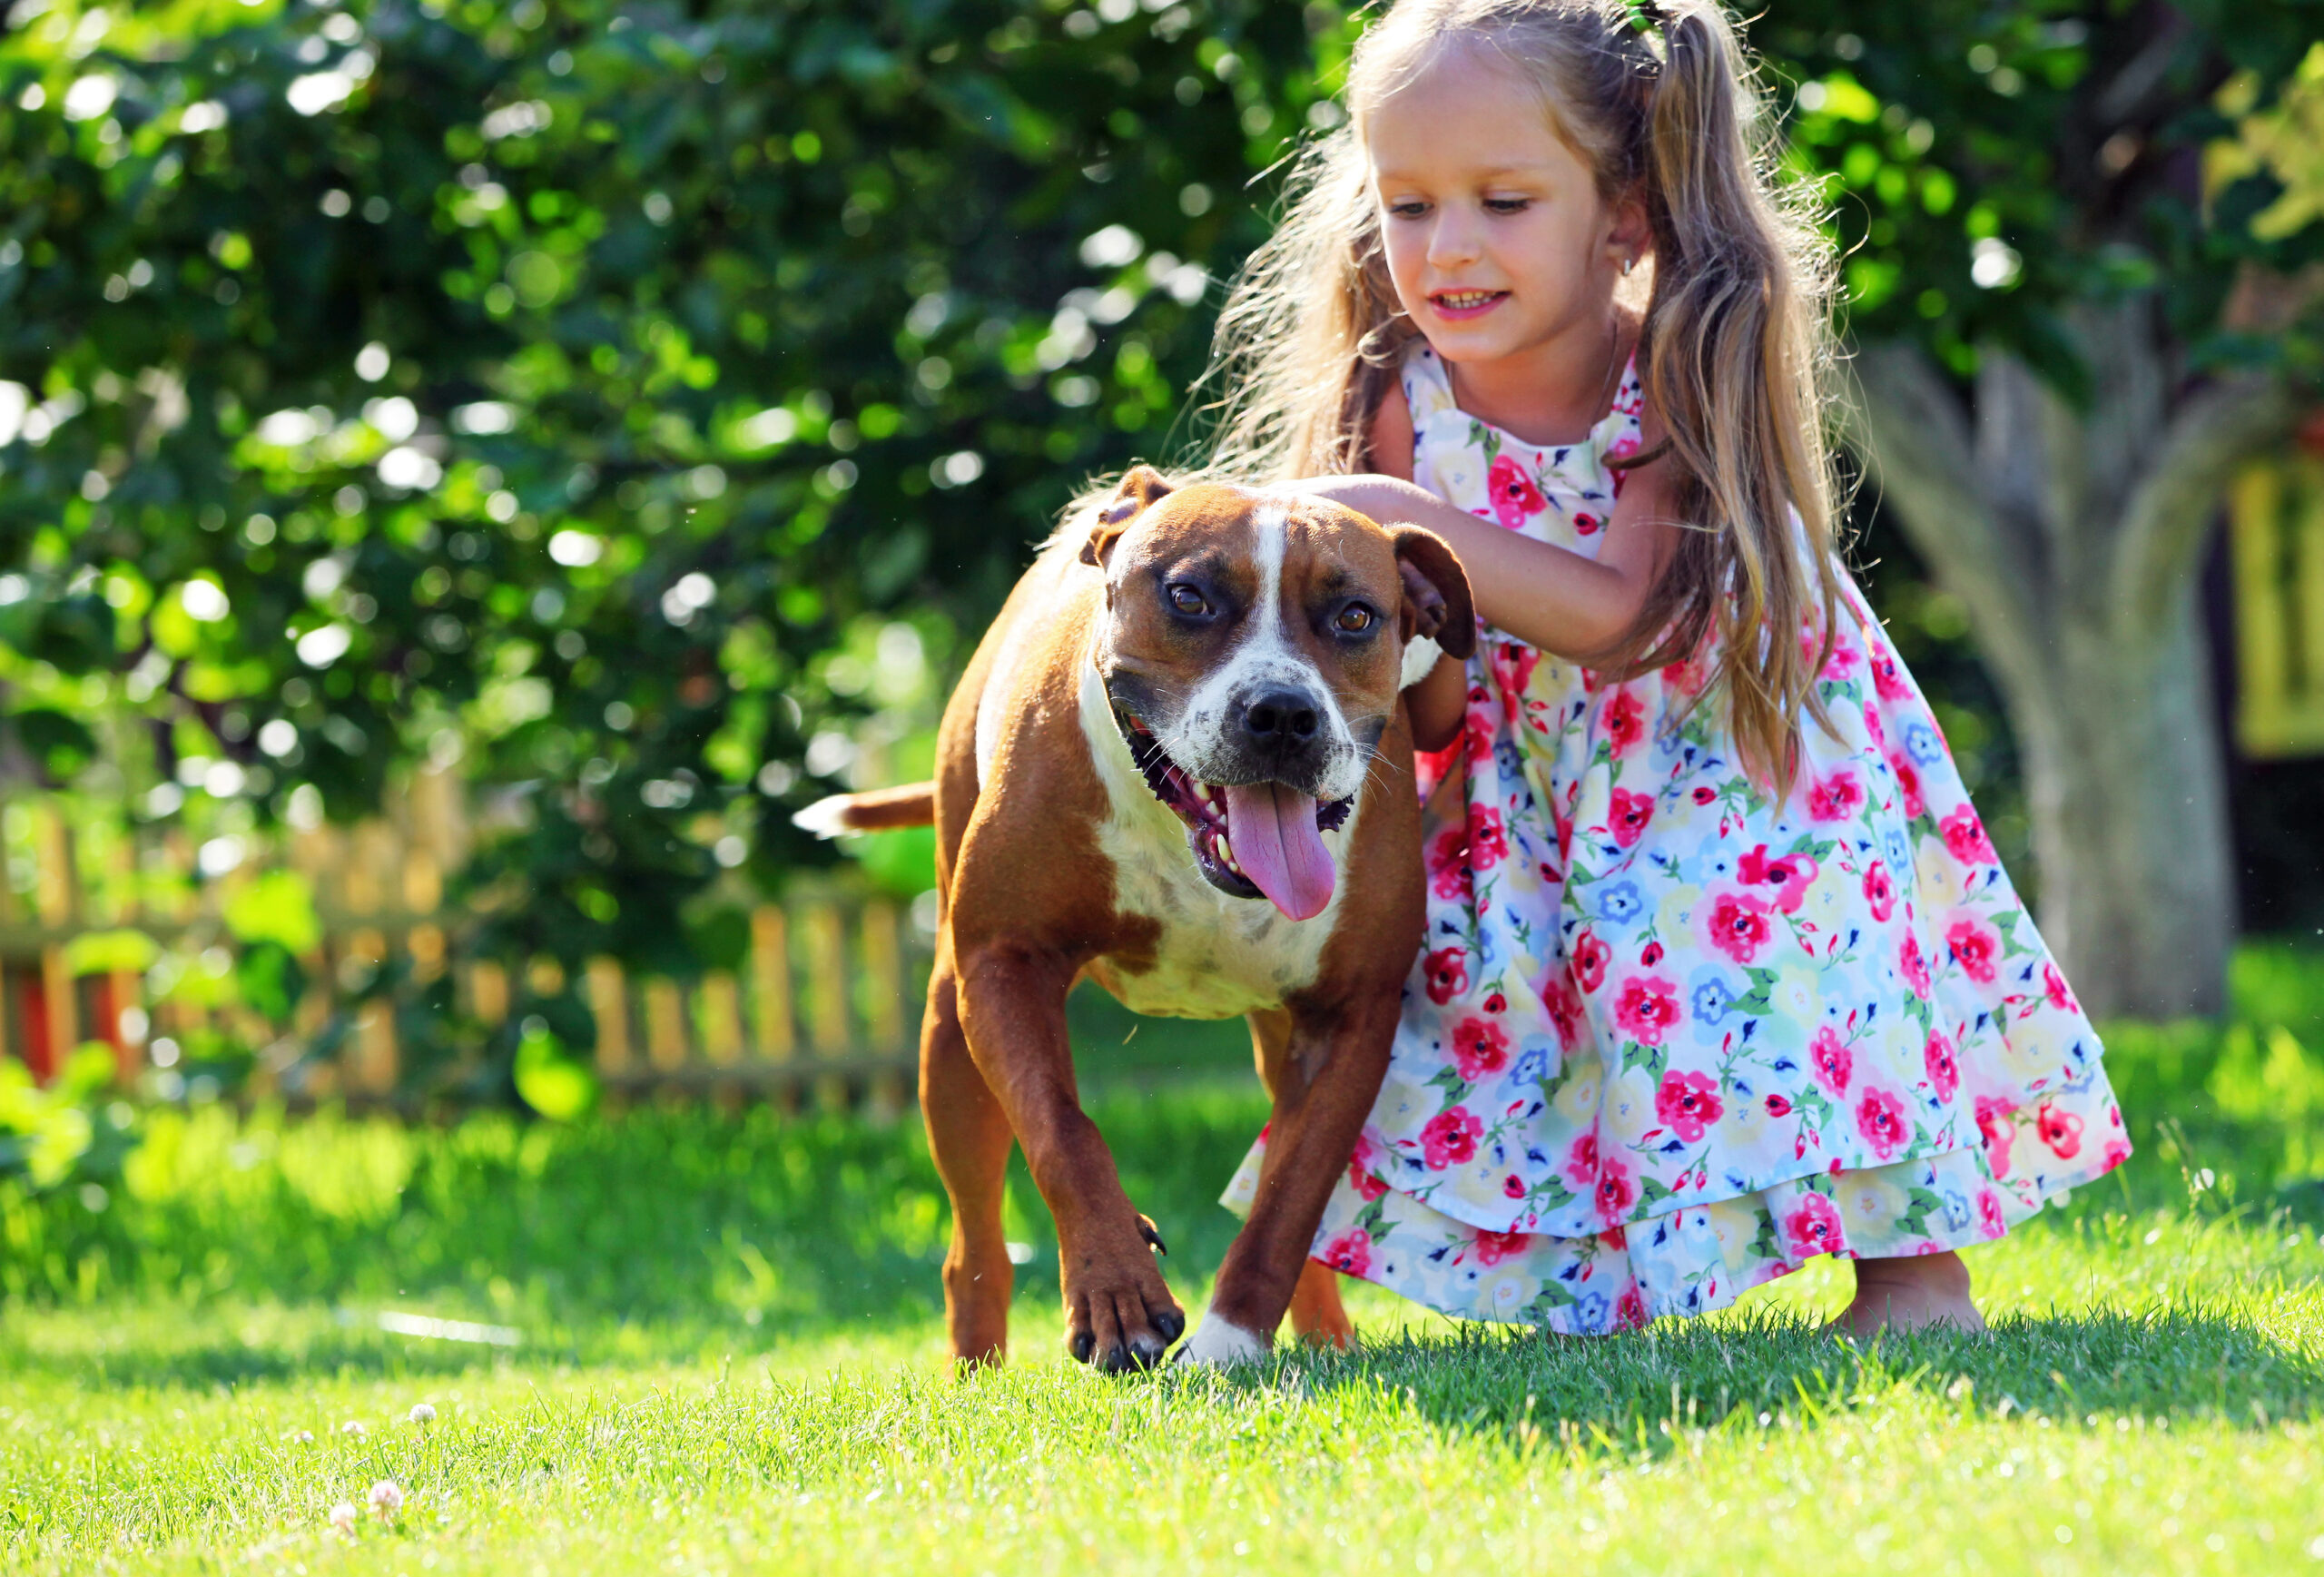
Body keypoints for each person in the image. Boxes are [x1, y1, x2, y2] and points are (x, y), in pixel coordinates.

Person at [1205, 0, 2127, 1336]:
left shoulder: (1673, 358)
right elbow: (1424, 669)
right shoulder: (1402, 393)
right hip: (1536, 769)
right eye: (1408, 206)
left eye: (1503, 202)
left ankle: (1915, 1279)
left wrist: (1403, 521)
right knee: (1546, 989)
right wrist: (1424, 693)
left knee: (1792, 972)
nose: (1448, 247)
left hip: (1736, 747)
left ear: (1623, 209)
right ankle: (1613, 1283)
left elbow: (1631, 616)